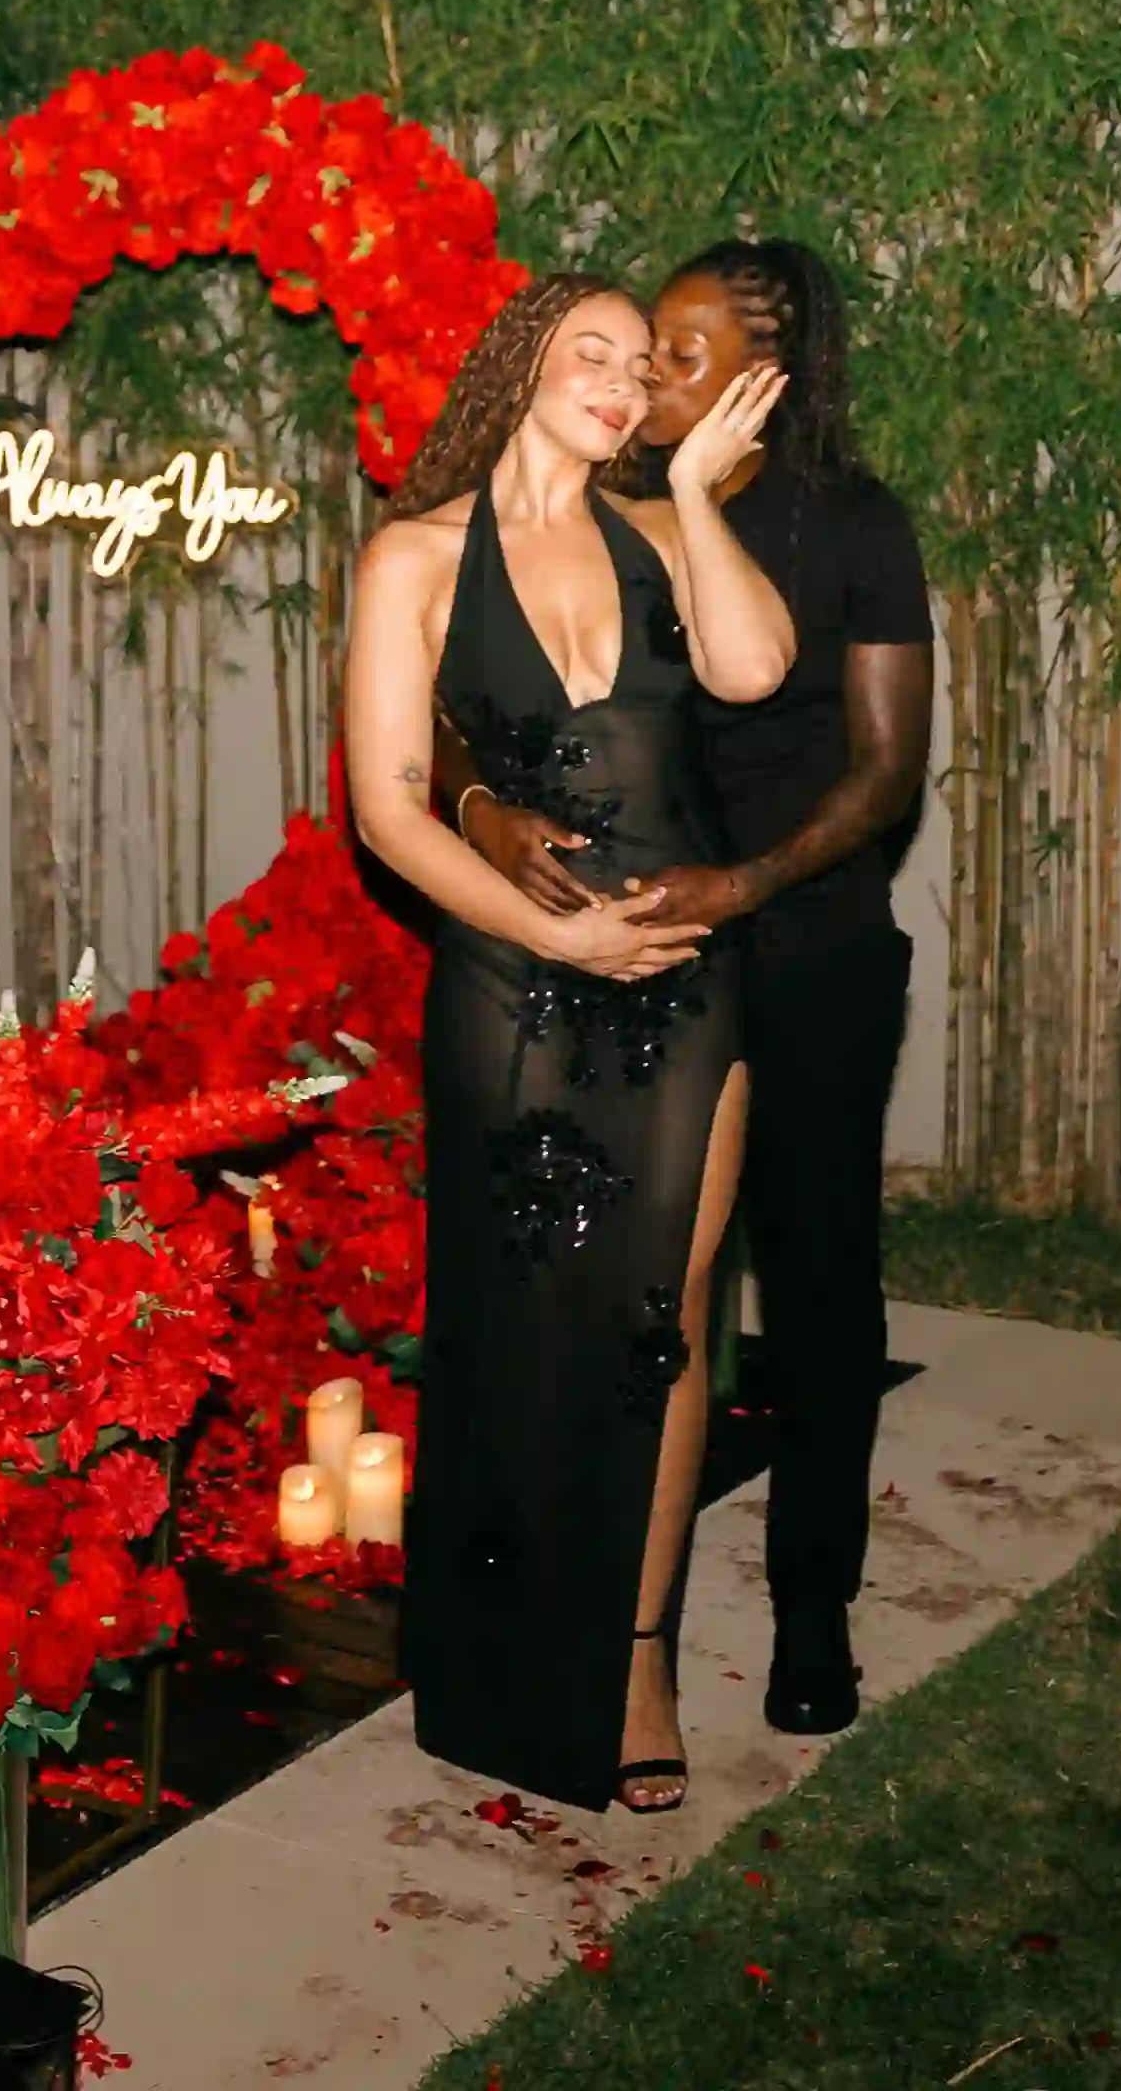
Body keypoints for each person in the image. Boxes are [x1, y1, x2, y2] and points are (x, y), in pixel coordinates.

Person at [448, 239, 931, 1735]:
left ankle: (813, 1613)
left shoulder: (849, 523)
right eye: (642, 343)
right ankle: (595, 1608)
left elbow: (885, 772)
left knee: (820, 1282)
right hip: (638, 956)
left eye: (687, 347)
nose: (651, 371)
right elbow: (469, 696)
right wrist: (478, 810)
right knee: (653, 1295)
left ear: (768, 372)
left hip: (808, 944)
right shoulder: (604, 509)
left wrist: (742, 885)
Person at [342, 272, 795, 1814]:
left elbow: (752, 671)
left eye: (636, 365)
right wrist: (555, 935)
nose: (616, 379)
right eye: (585, 352)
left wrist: (689, 489)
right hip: (511, 986)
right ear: (520, 363)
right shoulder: (414, 556)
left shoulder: (666, 530)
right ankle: (496, 1656)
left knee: (660, 1323)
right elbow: (388, 807)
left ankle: (640, 1657)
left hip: (681, 978)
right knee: (513, 1323)